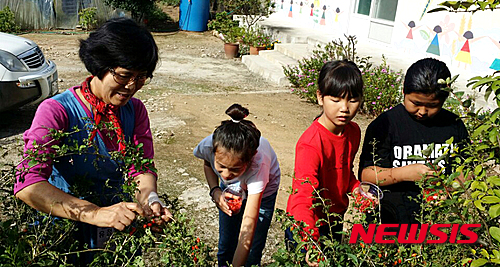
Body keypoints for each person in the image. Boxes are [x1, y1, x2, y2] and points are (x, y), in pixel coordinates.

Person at [14, 17, 172, 256]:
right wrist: (96, 213)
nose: (131, 86)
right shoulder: (58, 111)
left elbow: (140, 169)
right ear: (100, 66)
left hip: (117, 223)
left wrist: (150, 199)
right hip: (63, 231)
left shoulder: (135, 110)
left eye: (141, 77)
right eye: (124, 75)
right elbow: (28, 184)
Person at [358, 58, 469, 224]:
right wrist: (403, 174)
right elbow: (366, 174)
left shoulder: (453, 125)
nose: (422, 111)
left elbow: (466, 169)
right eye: (416, 103)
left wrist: (450, 189)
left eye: (432, 105)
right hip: (389, 219)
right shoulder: (385, 125)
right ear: (403, 90)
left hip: (436, 223)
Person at [285, 60, 365, 262]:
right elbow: (303, 197)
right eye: (336, 99)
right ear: (320, 97)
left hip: (334, 221)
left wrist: (357, 189)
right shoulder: (310, 145)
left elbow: (344, 171)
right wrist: (311, 245)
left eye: (352, 99)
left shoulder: (353, 132)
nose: (345, 108)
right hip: (306, 225)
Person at [193, 104, 281, 267]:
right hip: (234, 188)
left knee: (253, 248)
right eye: (221, 166)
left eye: (234, 168)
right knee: (227, 241)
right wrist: (215, 191)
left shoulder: (258, 166)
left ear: (251, 157)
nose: (225, 175)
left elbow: (249, 222)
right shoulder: (209, 145)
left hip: (264, 192)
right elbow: (207, 163)